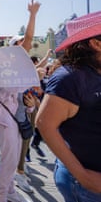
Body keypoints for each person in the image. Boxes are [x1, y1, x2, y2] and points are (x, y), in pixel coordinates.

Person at [36, 11, 101, 201]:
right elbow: (44, 124)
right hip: (86, 185)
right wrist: (83, 176)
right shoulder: (69, 78)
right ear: (96, 43)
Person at [0, 0, 41, 202]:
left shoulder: (24, 71)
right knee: (9, 161)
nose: (22, 48)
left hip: (19, 119)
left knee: (13, 156)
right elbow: (12, 89)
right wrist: (33, 15)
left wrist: (29, 107)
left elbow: (23, 100)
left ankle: (10, 192)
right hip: (5, 119)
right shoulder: (2, 68)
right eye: (17, 45)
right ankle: (1, 197)